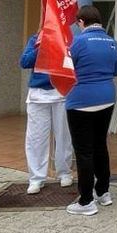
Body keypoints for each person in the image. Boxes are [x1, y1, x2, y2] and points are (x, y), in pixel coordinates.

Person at [65, 5, 117, 216]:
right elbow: (116, 70)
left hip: (81, 100)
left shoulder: (78, 42)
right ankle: (103, 192)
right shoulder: (112, 42)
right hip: (107, 97)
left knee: (84, 151)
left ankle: (86, 201)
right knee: (100, 146)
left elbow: (68, 68)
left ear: (81, 22)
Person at [20, 33, 74, 194]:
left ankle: (64, 172)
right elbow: (24, 62)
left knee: (64, 136)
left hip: (61, 92)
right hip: (38, 95)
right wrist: (40, 47)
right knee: (36, 138)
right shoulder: (35, 39)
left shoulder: (67, 39)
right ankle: (36, 177)